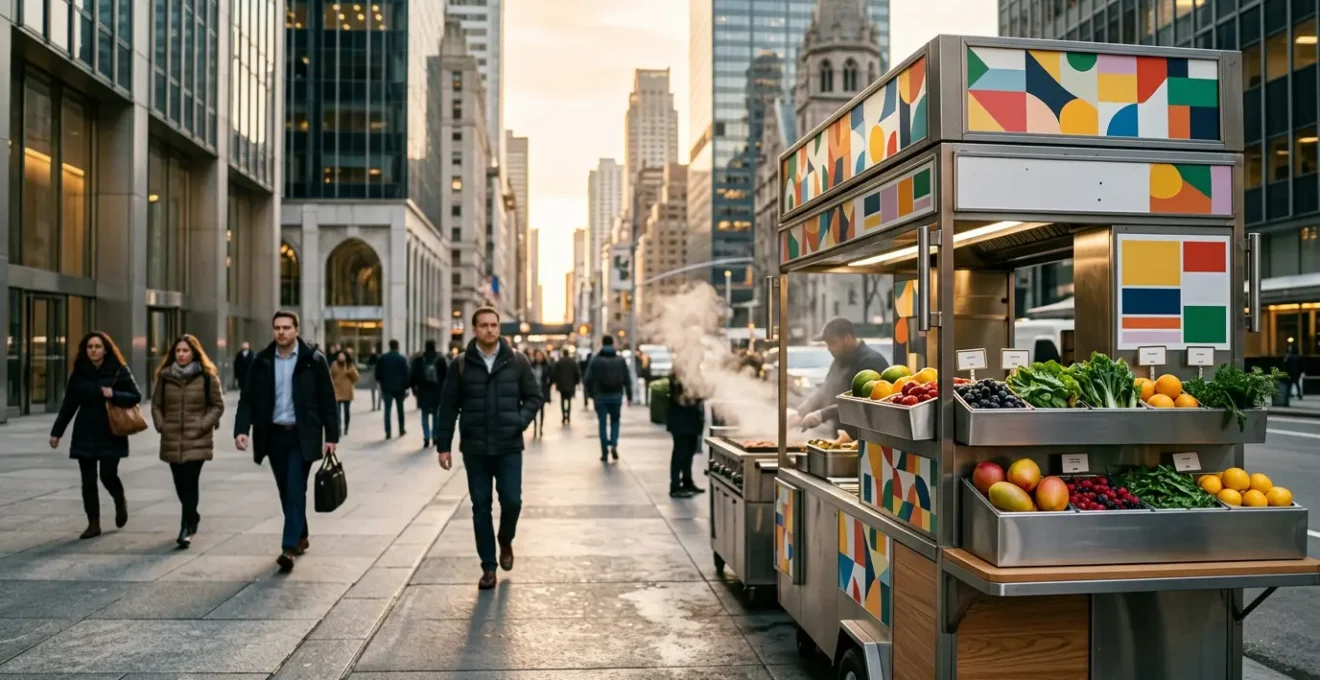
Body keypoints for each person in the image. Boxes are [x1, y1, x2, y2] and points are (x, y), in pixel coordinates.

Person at [436, 307, 542, 590]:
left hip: (509, 447)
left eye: (494, 325)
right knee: (480, 507)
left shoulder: (517, 361)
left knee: (512, 502)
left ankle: (505, 539)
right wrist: (443, 446)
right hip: (475, 449)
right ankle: (488, 567)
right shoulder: (460, 364)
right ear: (474, 329)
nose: (490, 330)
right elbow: (448, 407)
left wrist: (519, 421)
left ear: (499, 328)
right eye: (483, 325)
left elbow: (534, 397)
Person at [233, 311, 339, 573]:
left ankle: (288, 548)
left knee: (294, 487)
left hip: (302, 435)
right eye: (277, 328)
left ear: (296, 330)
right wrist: (241, 430)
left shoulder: (313, 360)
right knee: (286, 490)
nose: (281, 332)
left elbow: (327, 399)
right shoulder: (262, 361)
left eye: (286, 328)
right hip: (273, 435)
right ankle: (301, 535)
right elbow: (248, 398)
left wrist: (332, 436)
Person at [49, 332, 143, 540]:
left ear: (105, 349)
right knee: (88, 480)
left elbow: (136, 396)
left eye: (97, 347)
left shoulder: (118, 370)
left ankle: (119, 499)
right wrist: (57, 432)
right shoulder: (79, 373)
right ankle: (93, 524)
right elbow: (69, 404)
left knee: (108, 475)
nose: (93, 350)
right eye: (90, 347)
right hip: (85, 430)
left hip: (111, 430)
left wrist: (114, 394)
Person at [151, 334, 225, 548]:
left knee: (190, 481)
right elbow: (156, 405)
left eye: (185, 351)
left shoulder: (207, 376)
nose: (181, 354)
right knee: (179, 483)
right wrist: (162, 425)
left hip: (197, 438)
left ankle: (186, 528)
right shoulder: (165, 377)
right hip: (172, 436)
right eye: (178, 351)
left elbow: (217, 405)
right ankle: (192, 514)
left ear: (194, 353)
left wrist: (202, 425)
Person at [792, 317, 889, 434]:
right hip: (841, 435)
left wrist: (823, 414)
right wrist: (802, 412)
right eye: (827, 344)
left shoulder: (871, 362)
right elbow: (825, 389)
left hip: (864, 437)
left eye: (832, 343)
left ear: (847, 338)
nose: (829, 348)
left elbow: (861, 404)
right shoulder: (840, 360)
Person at [584, 336, 633, 462]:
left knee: (602, 423)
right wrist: (629, 396)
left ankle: (604, 451)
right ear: (613, 343)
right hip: (616, 396)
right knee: (615, 421)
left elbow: (587, 379)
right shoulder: (620, 360)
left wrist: (591, 394)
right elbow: (627, 379)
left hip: (600, 396)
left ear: (602, 343)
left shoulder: (595, 360)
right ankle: (614, 444)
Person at [666, 372, 705, 498]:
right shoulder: (678, 374)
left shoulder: (693, 371)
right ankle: (675, 486)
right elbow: (682, 397)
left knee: (689, 452)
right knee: (680, 453)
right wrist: (700, 394)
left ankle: (687, 482)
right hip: (681, 421)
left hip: (691, 420)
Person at [410, 339, 448, 449]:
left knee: (424, 414)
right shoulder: (440, 359)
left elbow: (413, 375)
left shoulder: (419, 359)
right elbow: (446, 376)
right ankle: (435, 436)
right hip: (437, 390)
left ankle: (426, 437)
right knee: (436, 414)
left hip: (423, 390)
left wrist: (413, 388)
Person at [375, 339, 410, 439]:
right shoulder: (402, 359)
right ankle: (401, 429)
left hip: (387, 387)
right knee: (400, 409)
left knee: (387, 410)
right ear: (397, 346)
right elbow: (406, 374)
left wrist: (381, 382)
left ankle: (388, 432)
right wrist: (407, 387)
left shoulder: (383, 358)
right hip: (400, 388)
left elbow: (378, 373)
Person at [331, 350, 359, 435]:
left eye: (342, 356)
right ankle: (338, 428)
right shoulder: (334, 364)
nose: (341, 358)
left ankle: (346, 427)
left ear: (346, 357)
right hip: (337, 390)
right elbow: (330, 375)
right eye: (339, 356)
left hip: (347, 391)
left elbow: (356, 378)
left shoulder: (349, 365)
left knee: (347, 411)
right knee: (337, 412)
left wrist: (349, 370)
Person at [551, 348, 581, 425]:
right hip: (570, 384)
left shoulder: (559, 362)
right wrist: (576, 382)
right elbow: (577, 373)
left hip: (562, 385)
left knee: (562, 400)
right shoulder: (572, 362)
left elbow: (555, 373)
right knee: (569, 401)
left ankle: (564, 415)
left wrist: (556, 382)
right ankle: (568, 415)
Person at [529, 350, 552, 437]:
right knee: (535, 410)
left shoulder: (546, 366)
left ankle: (541, 428)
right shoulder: (532, 365)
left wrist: (548, 386)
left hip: (543, 390)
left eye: (540, 355)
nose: (538, 357)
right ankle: (535, 428)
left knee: (542, 410)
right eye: (537, 355)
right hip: (534, 391)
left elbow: (551, 377)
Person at [365, 345, 381, 411]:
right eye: (372, 349)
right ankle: (373, 406)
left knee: (379, 392)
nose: (373, 350)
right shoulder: (370, 358)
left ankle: (379, 406)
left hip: (378, 377)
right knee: (372, 392)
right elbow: (367, 367)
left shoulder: (378, 357)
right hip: (372, 377)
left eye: (374, 349)